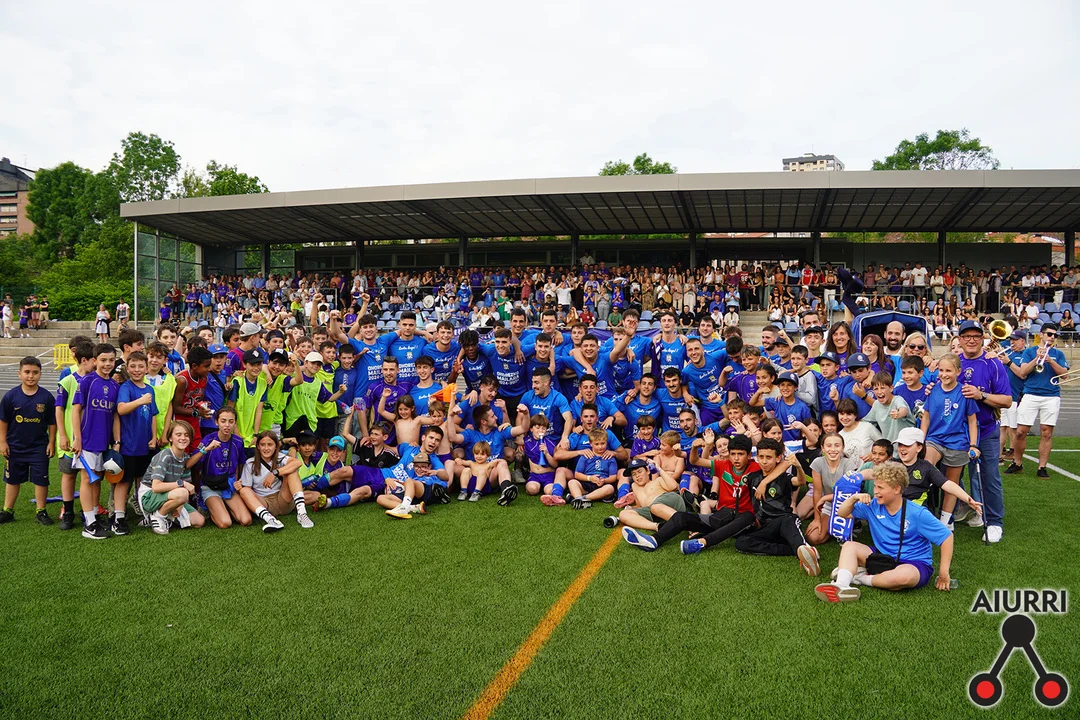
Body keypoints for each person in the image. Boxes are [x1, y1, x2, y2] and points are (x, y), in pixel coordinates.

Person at [814, 461, 954, 602]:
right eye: (875, 486)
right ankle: (841, 585)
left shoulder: (917, 513)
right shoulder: (873, 505)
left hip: (914, 563)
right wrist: (853, 498)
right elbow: (842, 513)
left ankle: (860, 578)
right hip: (883, 557)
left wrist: (943, 573)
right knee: (849, 546)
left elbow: (946, 537)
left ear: (897, 489)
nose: (875, 491)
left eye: (880, 487)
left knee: (904, 577)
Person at [955, 320, 1012, 543]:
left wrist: (982, 396)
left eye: (976, 336)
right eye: (966, 336)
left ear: (982, 339)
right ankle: (958, 509)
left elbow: (1007, 400)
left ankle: (994, 521)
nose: (971, 340)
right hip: (957, 431)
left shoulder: (994, 363)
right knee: (950, 475)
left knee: (989, 477)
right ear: (960, 339)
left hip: (986, 430)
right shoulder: (954, 362)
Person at [729, 438, 820, 575]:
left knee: (788, 521)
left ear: (778, 458)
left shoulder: (784, 477)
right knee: (741, 542)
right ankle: (797, 551)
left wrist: (799, 467)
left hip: (784, 522)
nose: (764, 461)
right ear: (756, 457)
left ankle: (804, 554)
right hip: (766, 527)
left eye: (768, 457)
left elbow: (800, 482)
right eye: (761, 457)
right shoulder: (752, 477)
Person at [920, 353, 979, 528]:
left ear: (958, 372)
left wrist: (973, 445)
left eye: (948, 371)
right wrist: (920, 440)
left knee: (951, 484)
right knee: (925, 468)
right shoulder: (932, 389)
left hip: (957, 443)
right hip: (935, 440)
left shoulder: (964, 392)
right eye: (941, 370)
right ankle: (920, 511)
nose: (944, 374)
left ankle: (946, 522)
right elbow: (926, 417)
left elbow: (972, 421)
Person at [71, 343, 120, 540]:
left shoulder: (115, 386)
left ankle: (93, 516)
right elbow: (76, 410)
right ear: (94, 360)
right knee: (87, 478)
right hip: (87, 439)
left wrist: (116, 441)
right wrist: (77, 438)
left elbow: (115, 416)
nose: (107, 364)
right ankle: (89, 524)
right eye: (103, 360)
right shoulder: (87, 381)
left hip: (104, 442)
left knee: (96, 479)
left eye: (111, 360)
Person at [1007, 323, 1069, 478]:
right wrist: (1037, 359)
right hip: (1030, 394)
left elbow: (1064, 375)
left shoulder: (1058, 354)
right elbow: (1023, 372)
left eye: (1055, 335)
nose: (1052, 337)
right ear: (1041, 334)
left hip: (1051, 396)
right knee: (1021, 432)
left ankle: (1042, 467)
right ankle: (1017, 463)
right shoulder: (1029, 351)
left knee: (1046, 432)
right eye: (1049, 334)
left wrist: (1050, 361)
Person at [0, 357, 57, 525]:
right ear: (19, 374)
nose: (31, 376)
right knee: (12, 479)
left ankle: (41, 511)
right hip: (15, 446)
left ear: (40, 374)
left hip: (39, 447)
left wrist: (51, 442)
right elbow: (3, 420)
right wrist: (3, 442)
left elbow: (52, 422)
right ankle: (8, 510)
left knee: (41, 479)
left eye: (35, 372)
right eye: (27, 372)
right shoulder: (11, 396)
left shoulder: (46, 397)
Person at [112, 351, 159, 536]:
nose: (137, 370)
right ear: (127, 368)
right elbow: (121, 409)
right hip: (129, 445)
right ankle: (118, 517)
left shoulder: (150, 389)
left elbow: (153, 415)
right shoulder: (126, 387)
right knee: (124, 481)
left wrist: (154, 437)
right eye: (133, 366)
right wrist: (140, 401)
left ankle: (145, 513)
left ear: (147, 368)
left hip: (144, 444)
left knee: (143, 481)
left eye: (141, 366)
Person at [136, 420, 207, 535]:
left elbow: (185, 489)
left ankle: (154, 518)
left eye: (186, 435)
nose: (183, 438)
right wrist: (182, 484)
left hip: (172, 494)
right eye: (178, 435)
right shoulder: (165, 456)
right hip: (149, 496)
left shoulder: (185, 458)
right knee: (182, 492)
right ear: (170, 438)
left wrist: (179, 505)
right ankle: (158, 516)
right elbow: (156, 487)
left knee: (199, 521)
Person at [238, 430, 312, 532]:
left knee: (292, 471)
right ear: (258, 446)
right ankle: (270, 520)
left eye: (270, 445)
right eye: (263, 445)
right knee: (244, 490)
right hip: (265, 503)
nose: (266, 448)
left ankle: (302, 513)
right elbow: (248, 489)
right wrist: (239, 487)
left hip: (282, 499)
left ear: (276, 446)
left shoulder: (280, 457)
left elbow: (297, 463)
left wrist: (275, 473)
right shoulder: (250, 463)